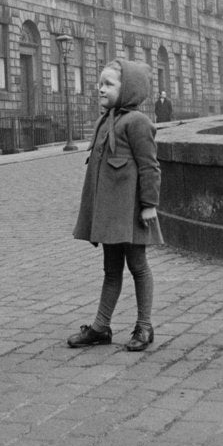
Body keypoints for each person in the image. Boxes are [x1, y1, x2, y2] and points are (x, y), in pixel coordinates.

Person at [68, 59, 164, 352]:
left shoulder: (137, 122)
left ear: (129, 90)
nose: (101, 89)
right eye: (100, 83)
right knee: (111, 269)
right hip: (110, 214)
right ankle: (101, 326)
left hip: (131, 212)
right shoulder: (105, 120)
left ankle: (144, 327)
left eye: (109, 84)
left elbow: (150, 167)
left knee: (138, 266)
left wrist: (149, 205)